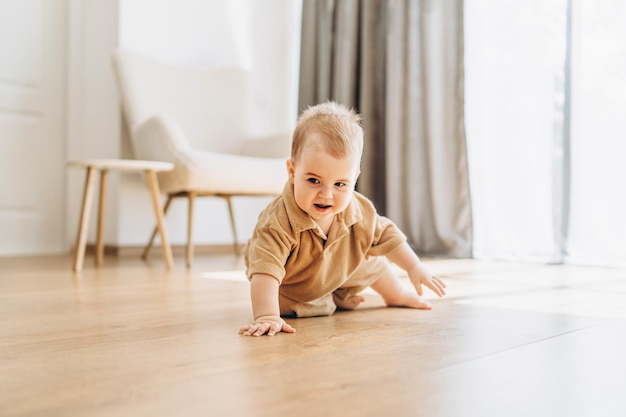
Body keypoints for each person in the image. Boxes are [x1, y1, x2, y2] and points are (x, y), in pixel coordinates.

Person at [239, 101, 446, 337]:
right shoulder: (277, 222)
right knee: (289, 305)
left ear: (354, 178)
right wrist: (267, 316)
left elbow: (387, 235)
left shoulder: (358, 210)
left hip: (338, 265)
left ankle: (393, 294)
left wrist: (414, 266)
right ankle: (333, 298)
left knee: (371, 258)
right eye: (314, 181)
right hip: (294, 283)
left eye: (340, 184)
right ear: (292, 172)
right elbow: (266, 271)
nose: (326, 194)